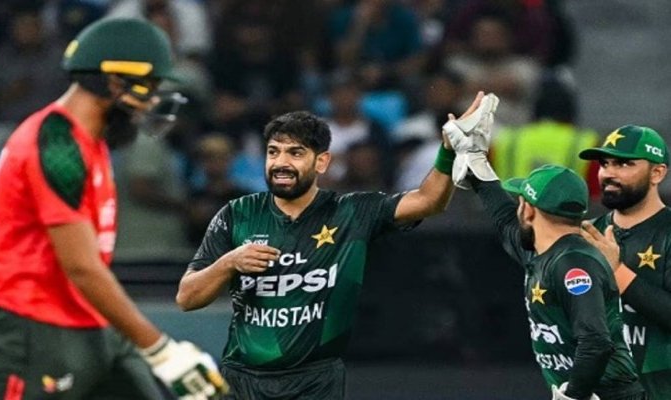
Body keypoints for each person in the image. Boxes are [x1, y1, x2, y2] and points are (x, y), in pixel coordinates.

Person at [175, 92, 493, 399]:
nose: (281, 162)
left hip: (315, 382)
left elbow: (428, 201)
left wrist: (449, 149)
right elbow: (187, 298)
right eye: (273, 152)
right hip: (242, 380)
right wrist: (229, 262)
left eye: (295, 153)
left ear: (322, 162)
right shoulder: (237, 214)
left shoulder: (351, 212)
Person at [0, 18, 227, 399]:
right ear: (114, 81)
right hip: (33, 330)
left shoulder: (88, 142)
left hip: (90, 322)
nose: (153, 103)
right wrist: (160, 349)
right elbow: (80, 266)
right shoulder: (56, 144)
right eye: (149, 88)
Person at [443, 117, 646, 399]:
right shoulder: (538, 250)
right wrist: (474, 159)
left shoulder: (575, 265)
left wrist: (574, 395)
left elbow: (596, 342)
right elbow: (503, 217)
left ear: (528, 209)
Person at [579, 125, 671, 399]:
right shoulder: (588, 232)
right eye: (604, 163)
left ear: (657, 173)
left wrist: (617, 272)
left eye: (623, 164)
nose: (608, 173)